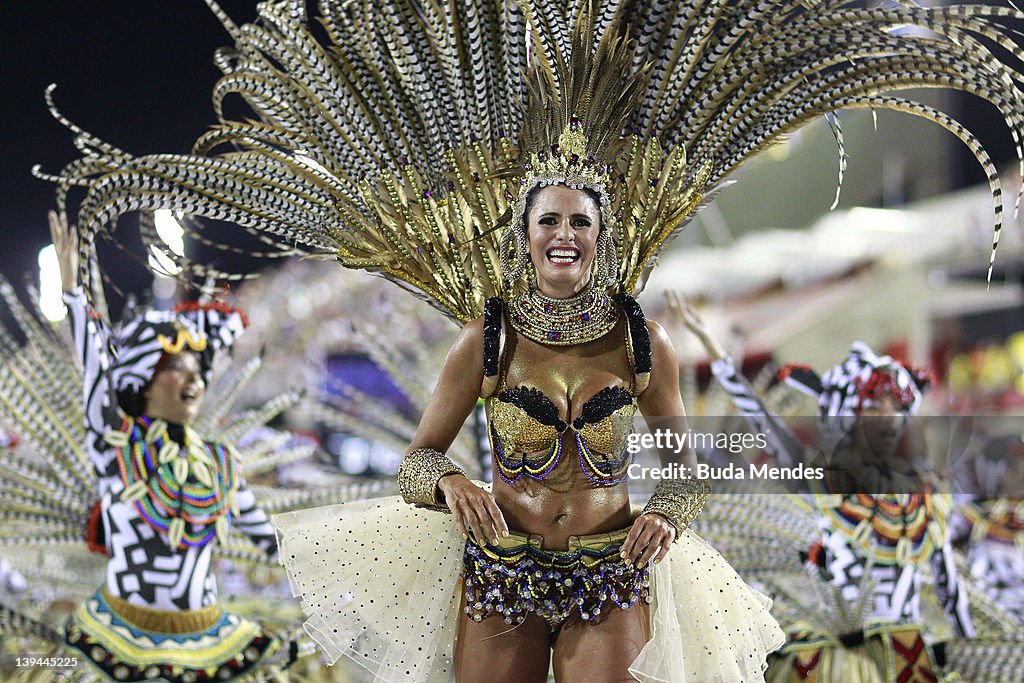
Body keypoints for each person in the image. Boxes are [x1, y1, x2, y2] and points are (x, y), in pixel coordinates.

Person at [669, 294, 975, 682]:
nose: (886, 421)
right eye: (873, 409)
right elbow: (765, 423)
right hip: (836, 656)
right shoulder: (822, 478)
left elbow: (949, 586)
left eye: (895, 409)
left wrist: (970, 649)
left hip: (907, 655)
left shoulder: (927, 492)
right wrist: (716, 352)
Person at [48, 211, 295, 683]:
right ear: (142, 385)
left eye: (196, 371)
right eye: (175, 370)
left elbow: (270, 541)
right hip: (120, 635)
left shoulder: (220, 464)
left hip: (207, 637)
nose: (193, 381)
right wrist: (74, 299)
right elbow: (97, 380)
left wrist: (346, 547)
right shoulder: (115, 450)